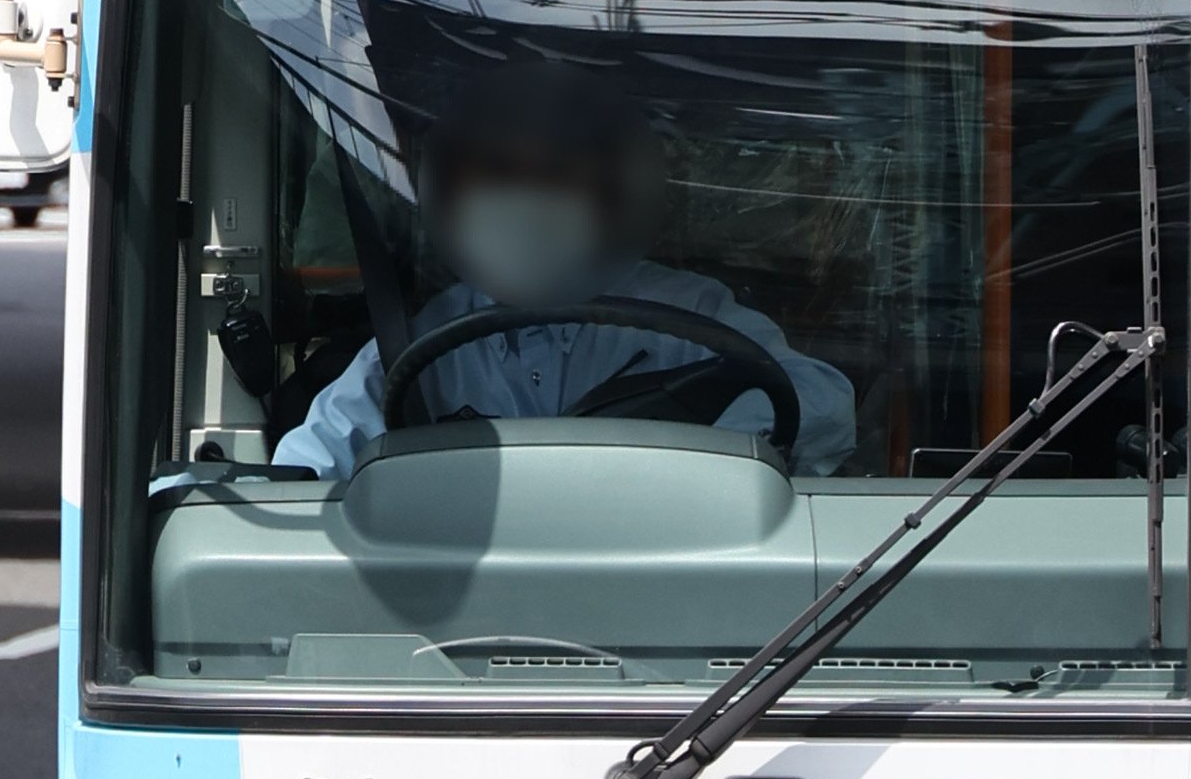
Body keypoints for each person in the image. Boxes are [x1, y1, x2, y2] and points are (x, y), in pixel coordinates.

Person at [275, 77, 854, 479]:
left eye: (554, 173)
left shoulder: (689, 314)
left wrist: (685, 464)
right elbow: (306, 471)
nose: (526, 200)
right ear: (453, 195)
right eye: (499, 174)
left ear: (606, 188)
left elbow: (818, 403)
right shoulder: (420, 347)